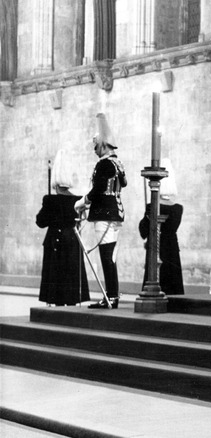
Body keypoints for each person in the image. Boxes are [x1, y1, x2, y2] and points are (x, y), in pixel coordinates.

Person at [75, 113, 128, 309]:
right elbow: (123, 183)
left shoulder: (104, 164)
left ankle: (111, 297)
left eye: (96, 144)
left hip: (104, 215)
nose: (94, 148)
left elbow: (97, 191)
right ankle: (112, 296)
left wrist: (82, 202)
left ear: (103, 144)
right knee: (110, 256)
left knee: (107, 256)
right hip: (115, 213)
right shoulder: (117, 163)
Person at [36, 149, 91, 306]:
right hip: (72, 241)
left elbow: (40, 222)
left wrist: (48, 207)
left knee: (56, 280)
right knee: (70, 279)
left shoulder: (50, 200)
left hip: (55, 240)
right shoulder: (77, 199)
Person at [139, 158, 184, 295]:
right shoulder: (178, 208)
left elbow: (143, 231)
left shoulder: (152, 206)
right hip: (171, 248)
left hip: (156, 248)